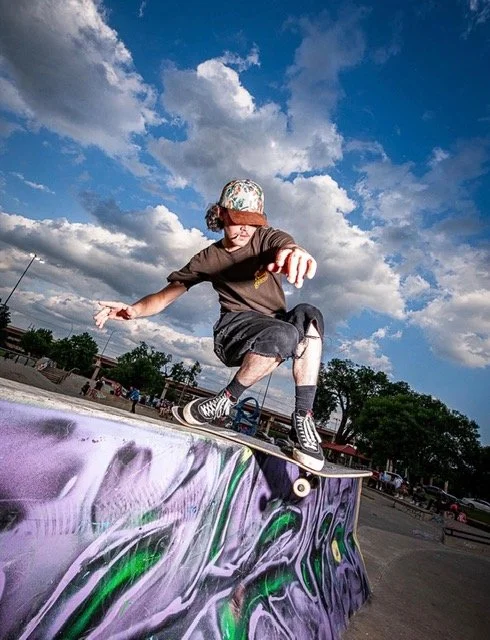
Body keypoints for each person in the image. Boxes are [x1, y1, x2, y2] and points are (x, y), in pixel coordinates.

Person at [94, 179, 325, 471]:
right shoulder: (208, 258)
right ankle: (227, 400)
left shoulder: (265, 238)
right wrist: (134, 310)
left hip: (275, 330)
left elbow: (284, 243)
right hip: (234, 331)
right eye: (238, 221)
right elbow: (165, 297)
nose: (245, 230)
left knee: (308, 314)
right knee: (285, 332)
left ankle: (303, 418)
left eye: (252, 223)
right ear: (220, 215)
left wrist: (294, 252)